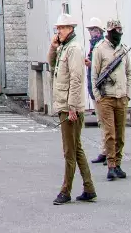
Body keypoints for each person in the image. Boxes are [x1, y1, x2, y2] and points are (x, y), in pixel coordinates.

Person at [51, 13, 97, 205]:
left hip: (71, 107)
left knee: (69, 151)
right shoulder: (64, 48)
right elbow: (51, 63)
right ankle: (89, 188)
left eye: (62, 28)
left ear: (70, 29)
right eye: (58, 28)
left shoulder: (74, 49)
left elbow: (76, 80)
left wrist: (72, 107)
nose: (58, 31)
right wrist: (53, 47)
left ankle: (66, 191)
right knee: (76, 148)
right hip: (65, 104)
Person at [91, 19, 131, 181]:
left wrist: (127, 93)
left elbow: (129, 73)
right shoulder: (100, 49)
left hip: (121, 98)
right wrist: (98, 97)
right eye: (116, 30)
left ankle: (118, 163)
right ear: (109, 32)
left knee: (120, 134)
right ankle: (111, 165)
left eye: (120, 30)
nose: (119, 33)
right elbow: (94, 75)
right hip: (106, 97)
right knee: (110, 134)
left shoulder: (124, 49)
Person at [84, 17, 108, 165]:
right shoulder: (93, 45)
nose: (91, 32)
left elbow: (103, 66)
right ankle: (105, 151)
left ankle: (109, 152)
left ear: (99, 31)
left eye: (93, 30)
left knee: (106, 122)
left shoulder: (102, 45)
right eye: (90, 30)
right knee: (101, 121)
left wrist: (91, 64)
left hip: (101, 89)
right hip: (94, 87)